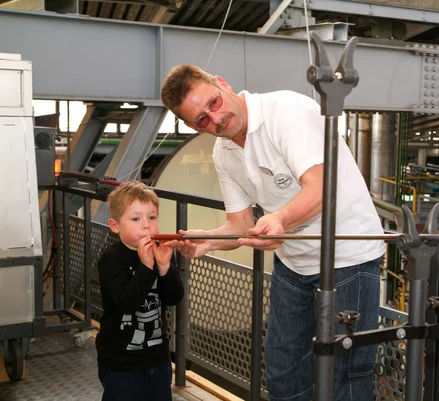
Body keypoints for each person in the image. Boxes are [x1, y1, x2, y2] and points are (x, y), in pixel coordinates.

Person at [160, 64, 385, 401]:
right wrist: (208, 241)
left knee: (345, 372)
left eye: (214, 104)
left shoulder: (287, 113)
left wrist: (279, 218)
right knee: (282, 368)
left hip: (347, 257)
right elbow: (239, 222)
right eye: (202, 121)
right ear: (193, 127)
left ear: (222, 84)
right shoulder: (224, 152)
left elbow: (324, 187)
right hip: (293, 263)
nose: (215, 119)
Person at [96, 180, 184, 401]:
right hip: (120, 363)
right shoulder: (112, 259)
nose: (146, 225)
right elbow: (127, 303)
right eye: (135, 219)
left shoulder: (159, 252)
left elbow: (173, 297)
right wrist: (146, 267)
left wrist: (164, 266)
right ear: (115, 225)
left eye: (152, 218)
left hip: (158, 359)